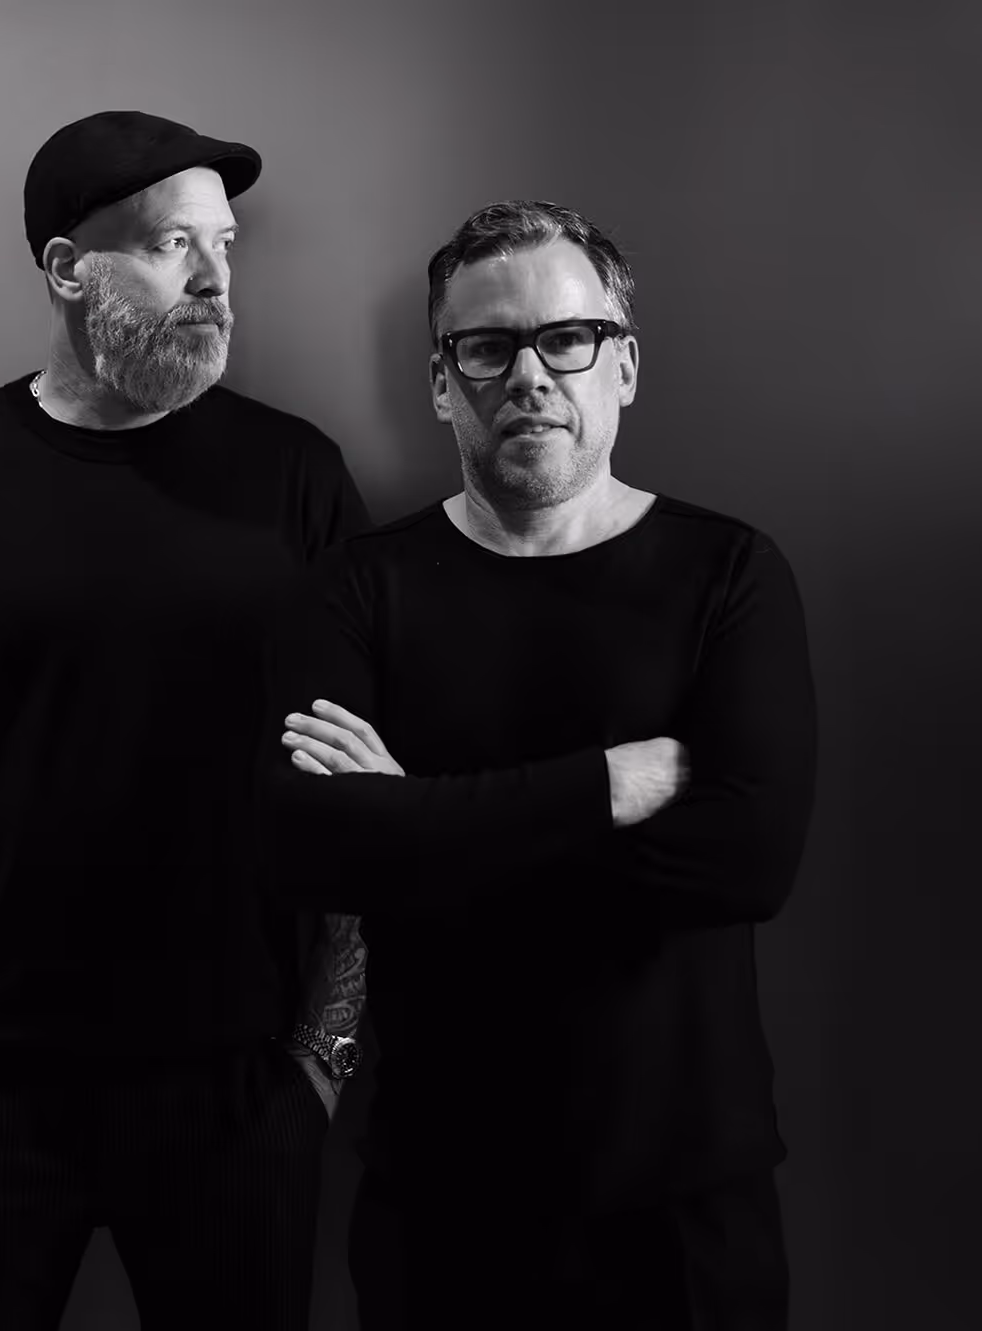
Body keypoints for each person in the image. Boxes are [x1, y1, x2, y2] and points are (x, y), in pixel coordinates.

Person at [0, 111, 371, 1331]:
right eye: (170, 246)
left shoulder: (298, 479)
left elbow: (368, 780)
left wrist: (325, 1052)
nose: (215, 277)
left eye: (226, 244)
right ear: (65, 268)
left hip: (237, 1094)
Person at [262, 200, 817, 1328]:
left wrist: (420, 825)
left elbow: (746, 862)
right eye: (487, 345)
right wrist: (603, 786)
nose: (530, 373)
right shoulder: (358, 590)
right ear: (439, 378)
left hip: (681, 1203)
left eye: (568, 338)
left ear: (624, 367)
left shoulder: (731, 574)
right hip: (441, 1200)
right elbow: (316, 847)